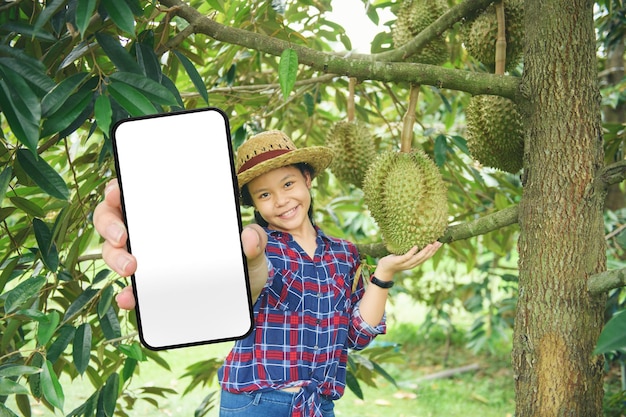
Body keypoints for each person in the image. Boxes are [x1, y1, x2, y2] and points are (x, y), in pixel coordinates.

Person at [93, 130, 443, 417]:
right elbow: (247, 282)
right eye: (264, 194)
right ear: (255, 204)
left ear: (307, 180)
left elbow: (356, 335)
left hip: (318, 405)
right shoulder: (253, 246)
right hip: (255, 402)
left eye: (288, 184)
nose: (280, 200)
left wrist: (383, 273)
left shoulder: (344, 254)